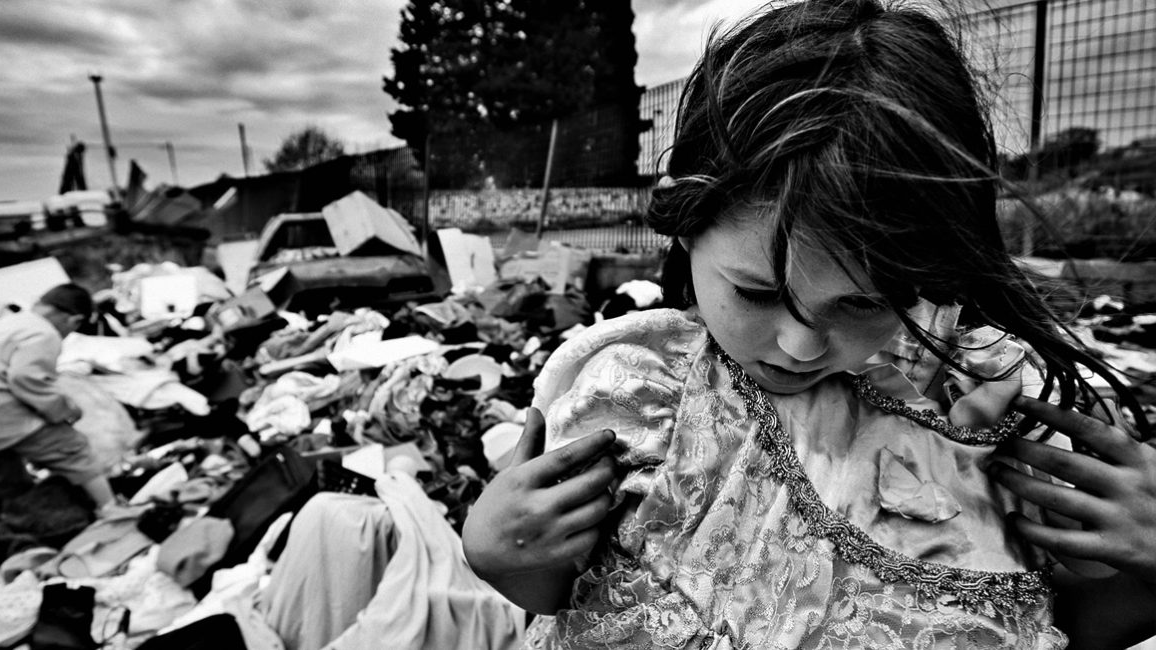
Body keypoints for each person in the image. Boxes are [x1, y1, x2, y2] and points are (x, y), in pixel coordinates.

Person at [461, 0, 1155, 647]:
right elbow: (564, 597)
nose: (799, 345)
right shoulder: (639, 392)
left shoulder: (992, 407)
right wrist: (495, 553)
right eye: (758, 291)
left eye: (862, 304)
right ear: (683, 219)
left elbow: (1063, 621)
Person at [0, 283, 117, 511]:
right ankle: (112, 510)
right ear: (74, 320)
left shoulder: (12, 322)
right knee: (74, 450)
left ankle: (18, 521)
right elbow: (26, 379)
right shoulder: (44, 332)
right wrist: (65, 411)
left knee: (8, 479)